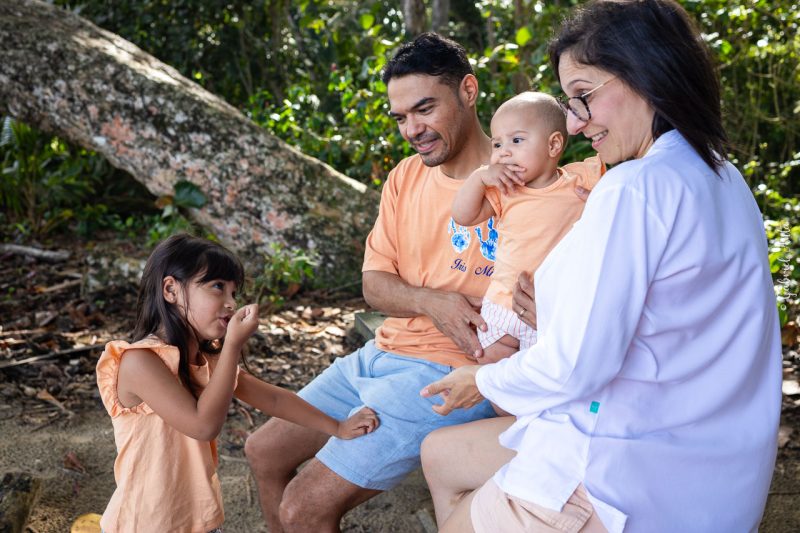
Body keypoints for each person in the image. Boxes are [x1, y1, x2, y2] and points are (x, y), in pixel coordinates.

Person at [420, 1, 782, 532]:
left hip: (621, 475)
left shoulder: (633, 188)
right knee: (441, 456)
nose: (574, 121)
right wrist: (557, 319)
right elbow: (678, 324)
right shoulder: (722, 175)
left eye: (583, 96)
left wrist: (484, 378)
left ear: (646, 73)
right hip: (715, 473)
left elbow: (575, 367)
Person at [243, 33, 505, 532]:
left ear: (468, 91)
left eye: (424, 109)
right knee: (263, 451)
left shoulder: (525, 177)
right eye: (401, 117)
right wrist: (433, 302)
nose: (412, 129)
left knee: (304, 505)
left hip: (448, 375)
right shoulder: (405, 178)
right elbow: (374, 286)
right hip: (381, 356)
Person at [96, 233, 378, 533]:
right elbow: (202, 425)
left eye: (234, 292)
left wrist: (336, 427)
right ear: (171, 290)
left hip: (198, 520)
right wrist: (231, 346)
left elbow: (275, 401)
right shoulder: (139, 362)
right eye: (218, 287)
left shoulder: (207, 360)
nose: (231, 303)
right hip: (145, 522)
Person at [452, 91, 602, 365]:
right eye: (497, 144)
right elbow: (463, 216)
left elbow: (619, 208)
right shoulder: (504, 190)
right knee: (495, 373)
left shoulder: (582, 181)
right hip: (503, 301)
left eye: (516, 140)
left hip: (551, 311)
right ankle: (504, 409)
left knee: (539, 377)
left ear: (554, 145)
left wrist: (599, 206)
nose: (503, 152)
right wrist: (478, 178)